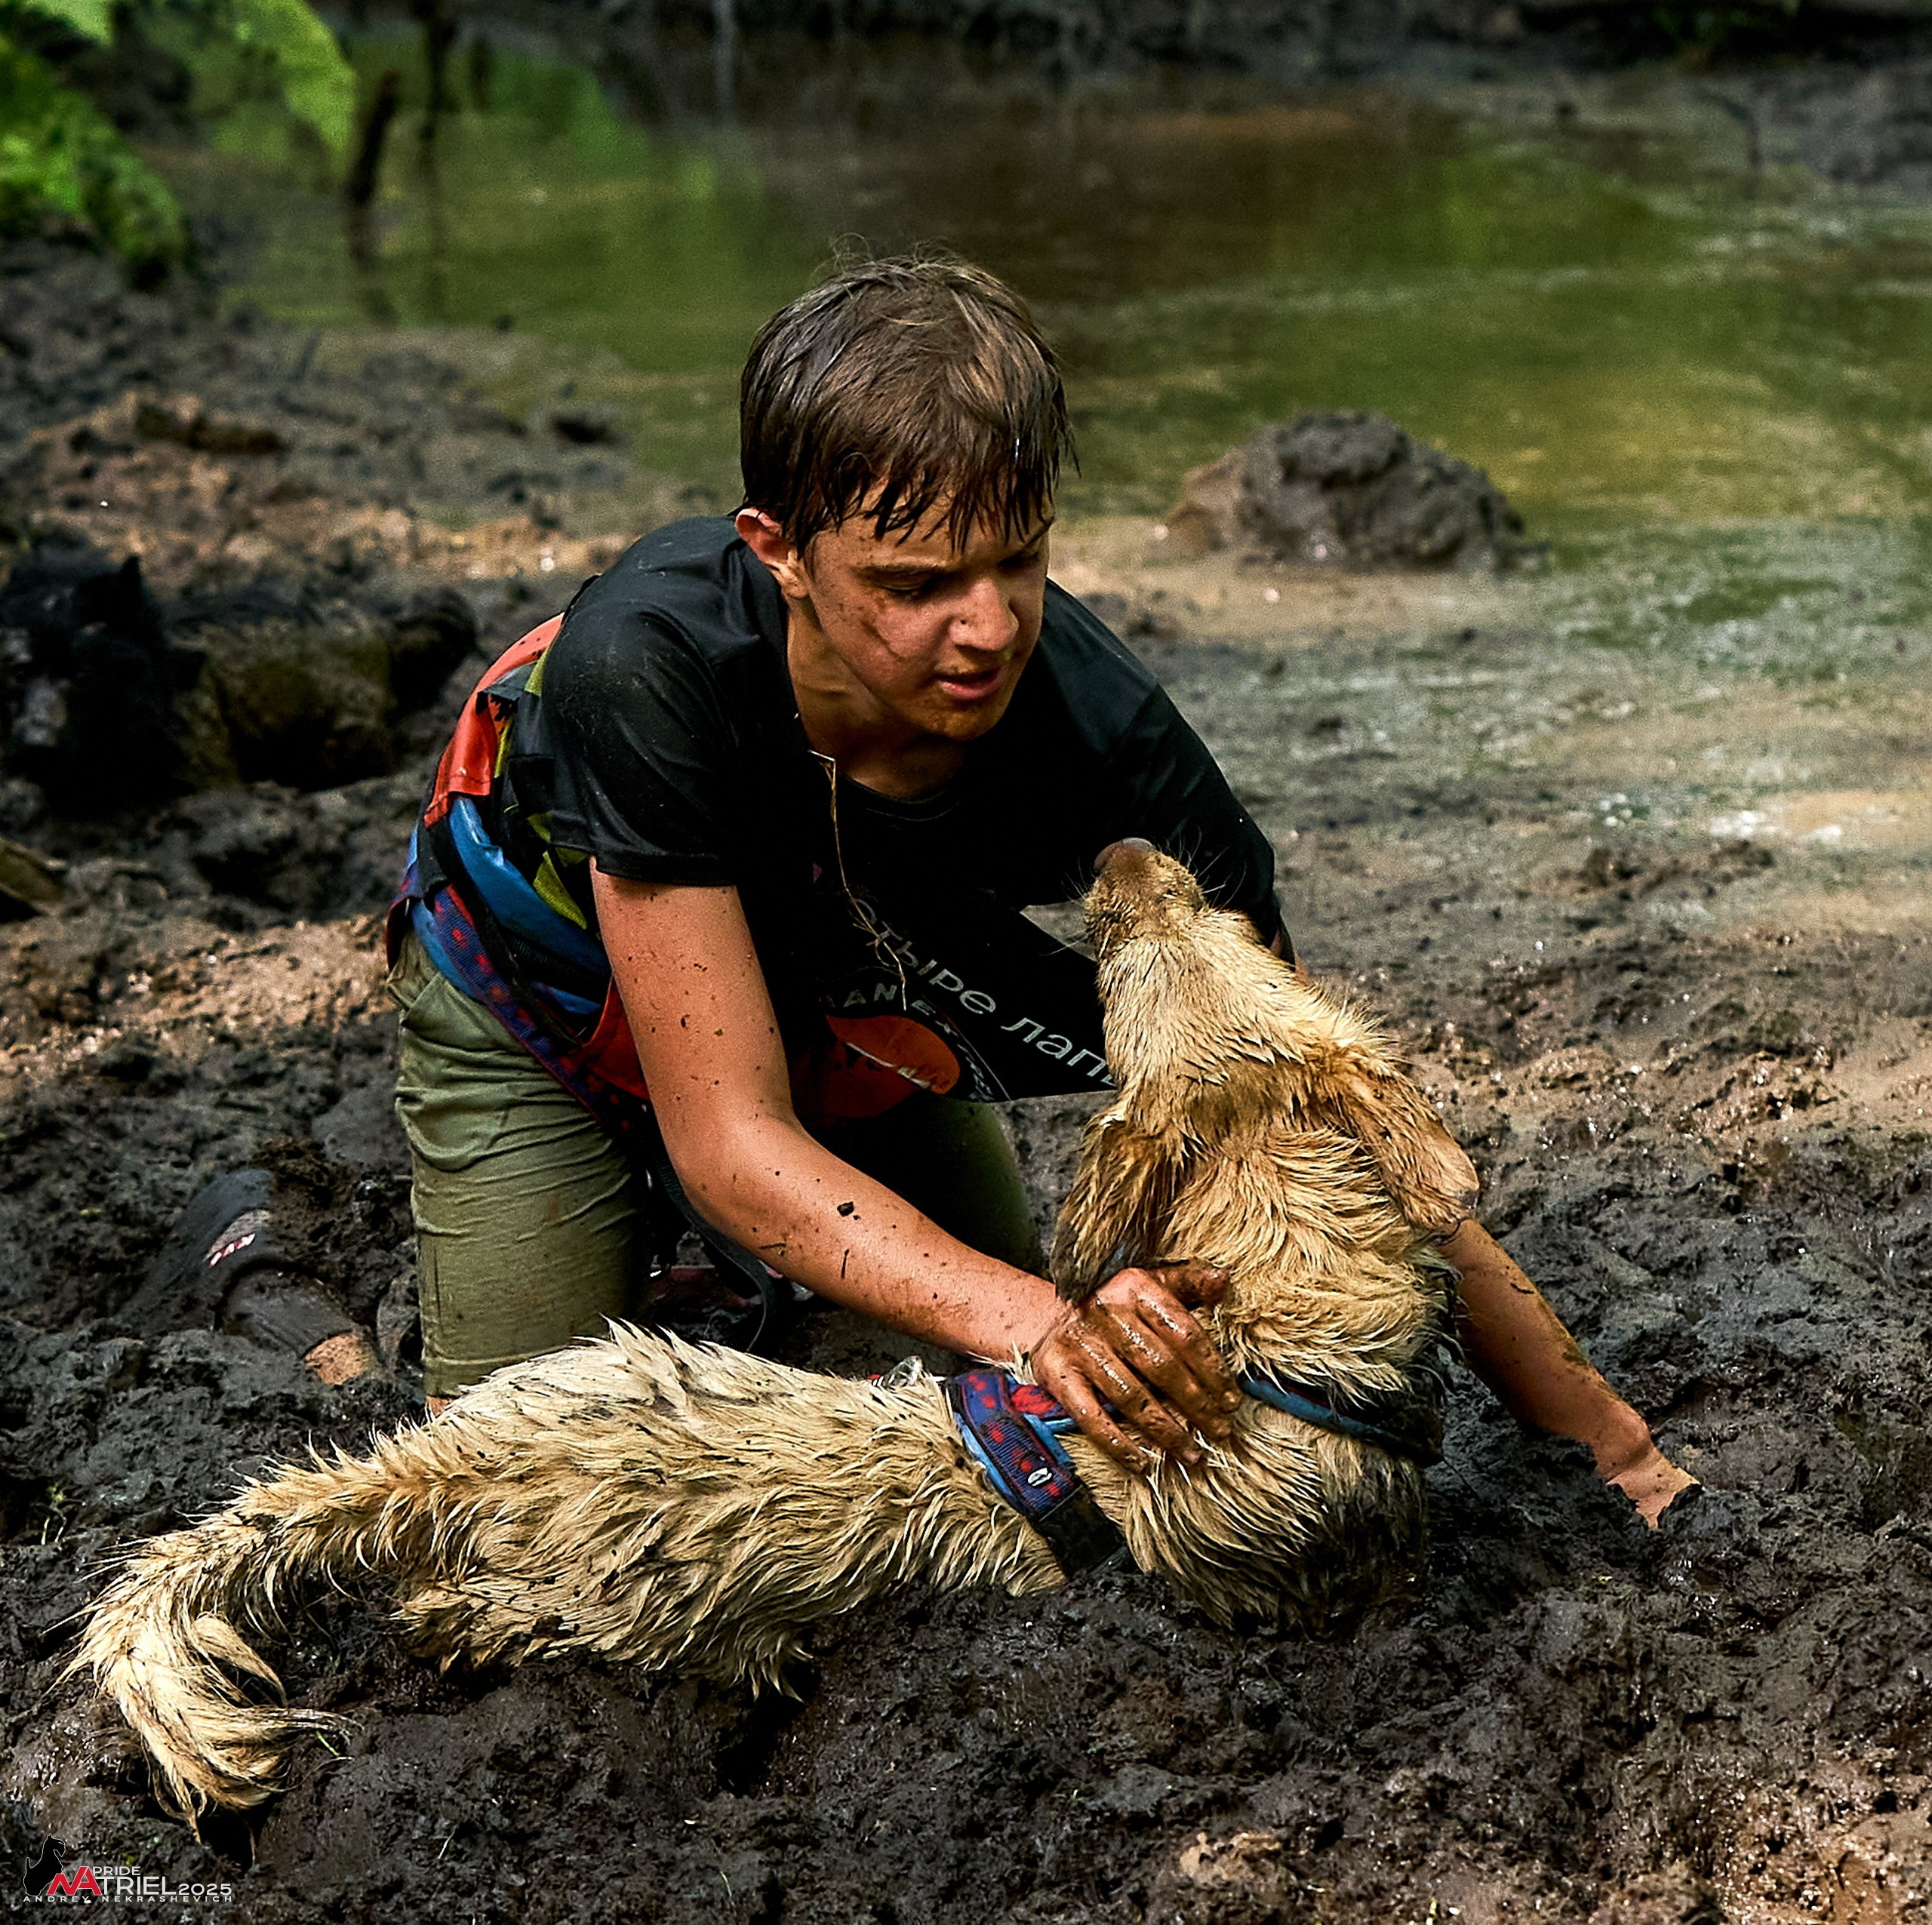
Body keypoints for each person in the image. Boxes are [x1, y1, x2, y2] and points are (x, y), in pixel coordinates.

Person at [194, 254, 1694, 1525]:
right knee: (503, 1498)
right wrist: (1040, 1320)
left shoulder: (1119, 756)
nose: (980, 631)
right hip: (546, 1000)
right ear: (777, 552)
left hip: (850, 1004)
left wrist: (1619, 1456)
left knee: (979, 1389)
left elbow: (1324, 1139)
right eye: (910, 587)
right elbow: (729, 1143)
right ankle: (296, 1301)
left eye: (1016, 563)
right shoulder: (643, 673)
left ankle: (720, 1304)